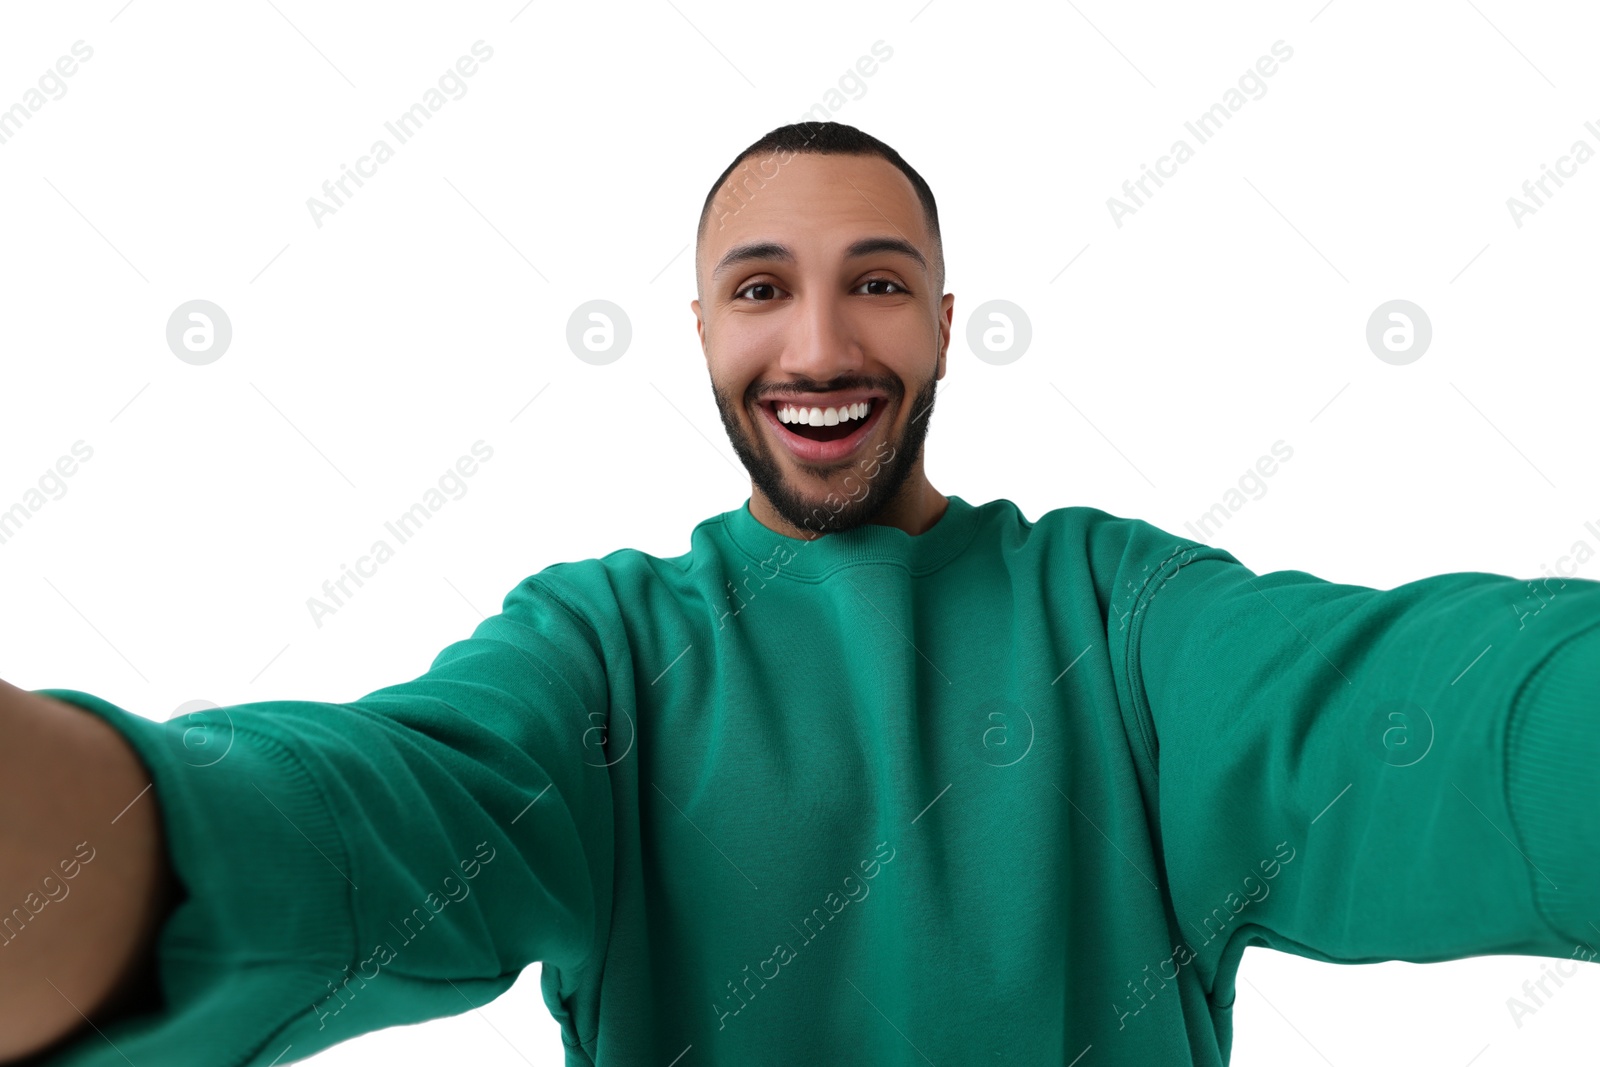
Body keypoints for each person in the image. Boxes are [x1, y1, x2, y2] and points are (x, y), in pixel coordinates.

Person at [3, 120, 1597, 1066]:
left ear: (949, 324)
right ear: (701, 327)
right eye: (763, 290)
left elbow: (1431, 728)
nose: (822, 349)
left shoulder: (1123, 625)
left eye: (878, 286)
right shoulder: (603, 655)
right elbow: (353, 825)